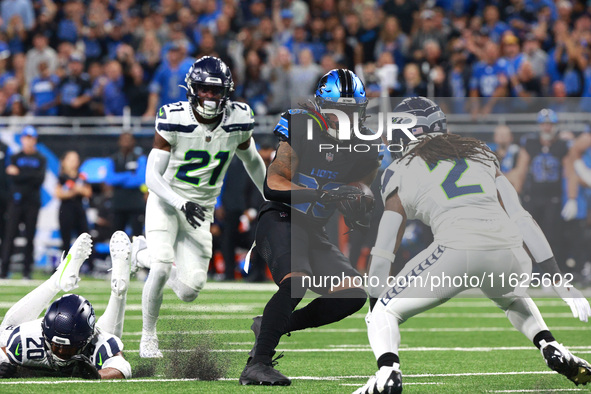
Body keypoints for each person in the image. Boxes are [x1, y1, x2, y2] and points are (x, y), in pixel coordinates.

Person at [353, 97, 591, 394]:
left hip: (456, 250)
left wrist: (376, 304)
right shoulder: (479, 152)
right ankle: (549, 344)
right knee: (509, 296)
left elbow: (384, 247)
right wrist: (560, 281)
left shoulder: (399, 168)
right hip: (510, 252)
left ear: (407, 130)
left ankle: (388, 372)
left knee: (384, 313)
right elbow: (521, 217)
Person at [239, 69, 380, 385]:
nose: (344, 119)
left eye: (351, 112)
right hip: (281, 217)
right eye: (338, 111)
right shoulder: (302, 125)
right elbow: (273, 183)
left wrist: (359, 206)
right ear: (321, 107)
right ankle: (257, 365)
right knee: (296, 282)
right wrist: (324, 192)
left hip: (314, 228)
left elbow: (360, 191)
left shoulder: (366, 146)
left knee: (353, 294)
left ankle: (273, 324)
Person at [129, 56, 266, 358]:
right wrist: (180, 200)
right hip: (167, 200)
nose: (209, 96)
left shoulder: (238, 119)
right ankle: (148, 336)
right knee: (163, 264)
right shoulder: (173, 117)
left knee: (190, 290)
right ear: (192, 89)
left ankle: (138, 252)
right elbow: (151, 176)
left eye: (215, 91)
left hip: (201, 211)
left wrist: (270, 196)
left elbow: (253, 162)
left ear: (226, 93)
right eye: (204, 89)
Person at [0, 231, 132, 379]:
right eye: (57, 346)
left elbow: (122, 367)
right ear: (44, 334)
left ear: (86, 340)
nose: (62, 353)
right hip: (23, 333)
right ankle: (117, 290)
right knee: (4, 334)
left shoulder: (98, 341)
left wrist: (98, 375)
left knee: (111, 337)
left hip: (100, 335)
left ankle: (118, 291)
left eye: (69, 349)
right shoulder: (27, 337)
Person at [510, 108, 578, 273]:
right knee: (528, 237)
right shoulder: (530, 144)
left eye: (549, 124)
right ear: (539, 126)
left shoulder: (562, 145)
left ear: (554, 126)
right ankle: (529, 272)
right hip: (532, 197)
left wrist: (572, 198)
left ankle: (551, 274)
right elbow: (521, 170)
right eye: (544, 124)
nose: (547, 128)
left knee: (552, 237)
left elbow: (570, 172)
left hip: (553, 198)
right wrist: (516, 193)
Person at [0, 126, 46, 279]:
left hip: (32, 202)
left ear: (35, 140)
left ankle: (27, 271)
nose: (28, 141)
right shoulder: (14, 157)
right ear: (22, 139)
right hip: (16, 202)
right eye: (26, 137)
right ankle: (4, 270)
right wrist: (28, 175)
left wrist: (20, 173)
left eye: (31, 138)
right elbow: (11, 178)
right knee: (9, 235)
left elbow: (39, 179)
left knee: (30, 236)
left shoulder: (41, 158)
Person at [55, 151, 92, 267]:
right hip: (66, 209)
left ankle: (88, 266)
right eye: (70, 160)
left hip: (79, 210)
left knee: (84, 238)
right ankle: (64, 265)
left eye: (75, 160)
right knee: (65, 239)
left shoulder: (81, 177)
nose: (73, 163)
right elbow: (58, 193)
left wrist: (75, 189)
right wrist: (75, 191)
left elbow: (88, 192)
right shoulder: (62, 177)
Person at [106, 133, 146, 237]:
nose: (126, 142)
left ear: (134, 142)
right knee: (116, 237)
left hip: (136, 204)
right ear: (119, 142)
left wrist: (119, 179)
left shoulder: (140, 158)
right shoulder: (113, 159)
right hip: (118, 204)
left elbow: (140, 179)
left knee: (137, 237)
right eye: (123, 139)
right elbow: (109, 179)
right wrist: (128, 175)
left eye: (129, 139)